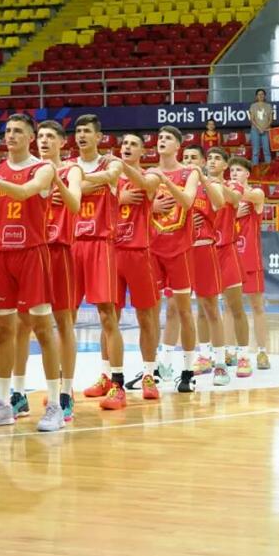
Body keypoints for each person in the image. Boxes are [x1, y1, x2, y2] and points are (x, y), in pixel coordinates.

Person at [0, 113, 64, 432]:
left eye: (18, 131)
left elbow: (23, 192)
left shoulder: (43, 168)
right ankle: (4, 403)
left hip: (33, 254)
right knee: (3, 331)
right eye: (7, 131)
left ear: (31, 137)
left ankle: (56, 405)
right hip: (3, 255)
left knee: (43, 329)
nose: (11, 135)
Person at [12, 120, 82, 422]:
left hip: (58, 250)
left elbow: (76, 204)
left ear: (62, 143)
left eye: (50, 137)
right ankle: (17, 393)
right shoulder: (27, 171)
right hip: (29, 251)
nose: (44, 141)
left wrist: (58, 184)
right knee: (22, 323)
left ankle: (66, 392)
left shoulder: (70, 170)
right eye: (40, 136)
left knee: (63, 322)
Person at [72, 114, 128, 409]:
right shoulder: (68, 165)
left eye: (86, 131)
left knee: (108, 315)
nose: (81, 135)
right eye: (78, 131)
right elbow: (69, 191)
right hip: (72, 244)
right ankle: (64, 388)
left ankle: (117, 384)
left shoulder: (111, 163)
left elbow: (110, 178)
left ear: (99, 136)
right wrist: (77, 181)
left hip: (101, 244)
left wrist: (78, 180)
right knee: (65, 315)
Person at [149, 125, 202, 391]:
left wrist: (166, 182)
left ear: (178, 145)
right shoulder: (148, 173)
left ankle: (188, 371)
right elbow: (135, 208)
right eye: (160, 137)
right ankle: (155, 369)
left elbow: (188, 201)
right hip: (152, 248)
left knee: (183, 311)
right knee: (150, 313)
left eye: (168, 138)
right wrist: (152, 206)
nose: (162, 141)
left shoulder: (189, 172)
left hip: (179, 250)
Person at [114, 134, 163, 399]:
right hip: (111, 252)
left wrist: (122, 170)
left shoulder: (152, 174)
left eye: (133, 144)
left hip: (138, 252)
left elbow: (144, 184)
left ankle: (149, 374)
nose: (127, 147)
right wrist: (118, 198)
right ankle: (110, 376)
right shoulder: (111, 178)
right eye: (124, 144)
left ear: (143, 151)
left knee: (146, 317)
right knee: (109, 318)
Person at [181, 145, 230, 384]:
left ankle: (220, 363)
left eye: (194, 158)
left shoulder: (211, 185)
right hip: (180, 250)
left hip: (203, 247)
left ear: (202, 162)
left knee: (210, 307)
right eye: (186, 157)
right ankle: (202, 355)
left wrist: (203, 178)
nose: (189, 161)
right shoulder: (176, 184)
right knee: (184, 309)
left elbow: (220, 203)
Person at [206, 147, 251, 375]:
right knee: (206, 310)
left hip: (226, 250)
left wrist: (214, 183)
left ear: (225, 166)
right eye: (209, 158)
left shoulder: (232, 185)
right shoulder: (198, 186)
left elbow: (234, 198)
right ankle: (207, 356)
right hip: (204, 251)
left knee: (235, 307)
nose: (212, 161)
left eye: (217, 158)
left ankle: (243, 356)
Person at [229, 157, 270, 371]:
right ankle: (229, 350)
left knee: (257, 306)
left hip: (250, 258)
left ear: (247, 174)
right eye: (231, 170)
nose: (233, 173)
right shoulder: (227, 198)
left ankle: (262, 352)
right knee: (229, 307)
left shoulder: (256, 194)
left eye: (238, 170)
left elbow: (240, 194)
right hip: (229, 257)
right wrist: (232, 213)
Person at [248, 89, 274, 166]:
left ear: (265, 95)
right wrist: (259, 128)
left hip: (266, 131)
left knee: (267, 151)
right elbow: (252, 119)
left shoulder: (268, 106)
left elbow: (271, 119)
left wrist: (264, 128)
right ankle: (255, 170)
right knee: (255, 152)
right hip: (255, 130)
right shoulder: (253, 106)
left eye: (262, 94)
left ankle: (269, 170)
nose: (261, 96)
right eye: (259, 94)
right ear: (256, 96)